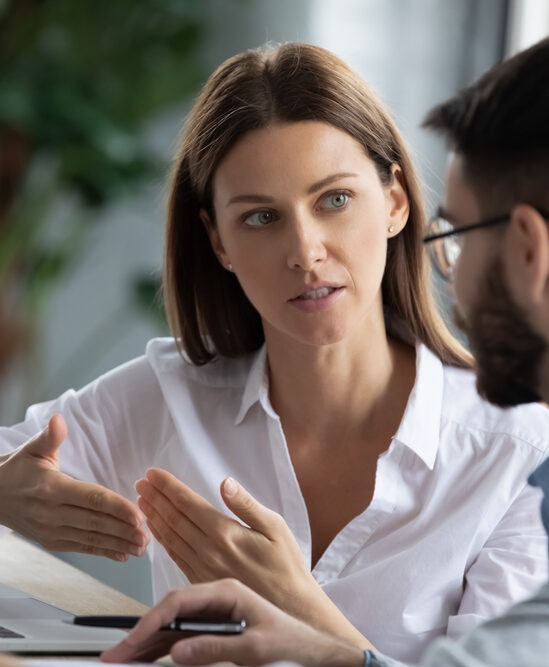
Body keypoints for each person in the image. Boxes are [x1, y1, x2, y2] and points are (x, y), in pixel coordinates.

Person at [0, 41, 547, 662]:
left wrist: (296, 605)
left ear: (394, 201)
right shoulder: (169, 394)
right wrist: (4, 491)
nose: (305, 251)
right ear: (218, 241)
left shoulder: (518, 455)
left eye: (334, 200)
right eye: (261, 218)